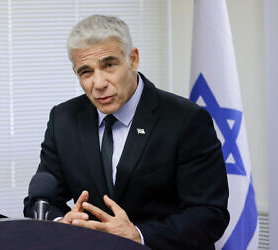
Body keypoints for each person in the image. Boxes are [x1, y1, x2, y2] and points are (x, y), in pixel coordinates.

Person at [23, 15, 229, 249]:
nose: (99, 83)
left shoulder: (186, 120)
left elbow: (210, 215)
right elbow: (40, 201)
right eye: (86, 72)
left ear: (133, 59)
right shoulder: (64, 119)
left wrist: (139, 235)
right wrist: (61, 222)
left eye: (109, 65)